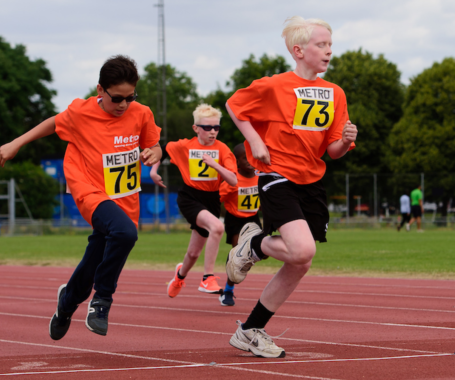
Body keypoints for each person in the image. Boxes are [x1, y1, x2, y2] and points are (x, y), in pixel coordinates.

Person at [0, 55, 162, 340]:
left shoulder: (141, 113)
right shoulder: (80, 112)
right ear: (100, 90)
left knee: (91, 265)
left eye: (130, 97)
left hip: (124, 198)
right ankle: (102, 302)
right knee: (124, 234)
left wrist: (155, 153)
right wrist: (16, 143)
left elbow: (155, 145)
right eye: (116, 98)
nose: (123, 104)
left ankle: (66, 303)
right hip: (89, 189)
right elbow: (52, 123)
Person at [224, 16, 357, 358]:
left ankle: (250, 330)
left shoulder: (335, 93)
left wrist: (344, 141)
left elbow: (332, 151)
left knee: (300, 261)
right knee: (302, 250)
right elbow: (234, 106)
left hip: (311, 180)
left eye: (330, 44)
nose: (329, 51)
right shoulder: (274, 85)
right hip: (277, 174)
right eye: (321, 44)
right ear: (299, 51)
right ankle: (253, 243)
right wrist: (254, 140)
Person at [150, 104, 237, 298]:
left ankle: (179, 277)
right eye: (207, 127)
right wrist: (153, 171)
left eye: (216, 128)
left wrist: (215, 165)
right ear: (196, 128)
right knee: (217, 227)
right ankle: (208, 278)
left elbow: (233, 179)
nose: (212, 132)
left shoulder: (223, 149)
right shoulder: (184, 146)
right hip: (189, 197)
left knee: (193, 254)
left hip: (212, 200)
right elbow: (162, 150)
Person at [218, 143, 261, 306]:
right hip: (235, 219)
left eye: (252, 156)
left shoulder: (260, 176)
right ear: (237, 161)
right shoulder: (233, 179)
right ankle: (228, 290)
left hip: (254, 218)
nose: (250, 160)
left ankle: (243, 267)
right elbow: (217, 199)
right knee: (237, 254)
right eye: (245, 158)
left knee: (261, 252)